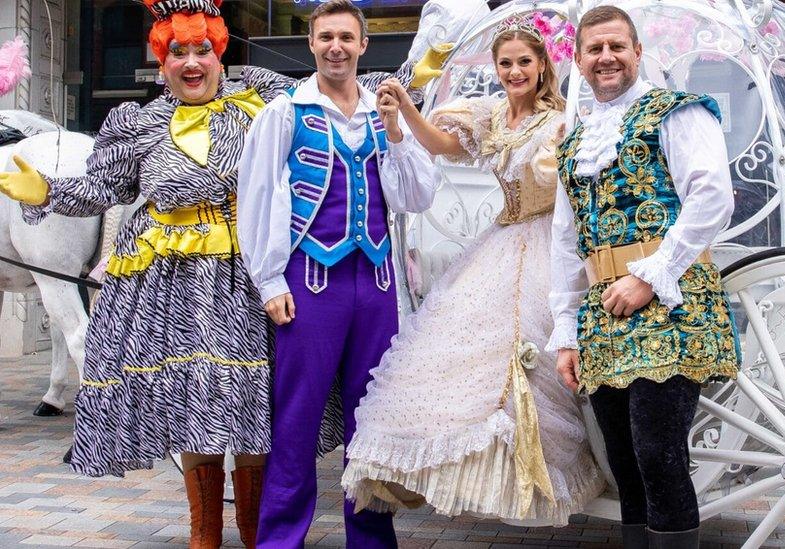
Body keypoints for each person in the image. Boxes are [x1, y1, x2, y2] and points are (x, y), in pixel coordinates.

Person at [0, 1, 447, 548]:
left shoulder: (259, 98)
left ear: (221, 54)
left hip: (245, 276)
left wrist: (421, 73)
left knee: (259, 402)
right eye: (178, 52)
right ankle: (203, 532)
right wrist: (49, 192)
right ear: (161, 61)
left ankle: (261, 532)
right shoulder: (135, 122)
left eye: (203, 50)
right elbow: (104, 187)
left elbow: (349, 77)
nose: (192, 62)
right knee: (193, 403)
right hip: (172, 284)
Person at [340, 14, 605, 526]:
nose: (513, 71)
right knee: (455, 353)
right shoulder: (489, 116)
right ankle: (463, 466)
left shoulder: (561, 122)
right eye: (505, 63)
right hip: (501, 243)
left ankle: (533, 474)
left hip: (551, 247)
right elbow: (440, 145)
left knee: (526, 362)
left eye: (524, 61)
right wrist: (410, 112)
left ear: (543, 66)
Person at [234, 1, 439, 547]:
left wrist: (397, 133)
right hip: (310, 285)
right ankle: (279, 539)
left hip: (375, 286)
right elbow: (256, 200)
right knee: (296, 420)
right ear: (311, 43)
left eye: (346, 37)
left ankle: (371, 539)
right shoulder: (284, 113)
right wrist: (271, 281)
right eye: (326, 37)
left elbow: (417, 196)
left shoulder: (384, 111)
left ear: (363, 44)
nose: (336, 48)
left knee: (369, 422)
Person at [548, 6, 740, 549]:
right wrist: (565, 331)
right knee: (624, 461)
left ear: (637, 52)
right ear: (579, 62)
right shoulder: (574, 142)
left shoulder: (675, 113)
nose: (606, 58)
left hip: (671, 298)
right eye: (594, 50)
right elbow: (565, 243)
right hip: (603, 312)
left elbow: (711, 197)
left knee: (658, 453)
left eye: (616, 47)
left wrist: (652, 277)